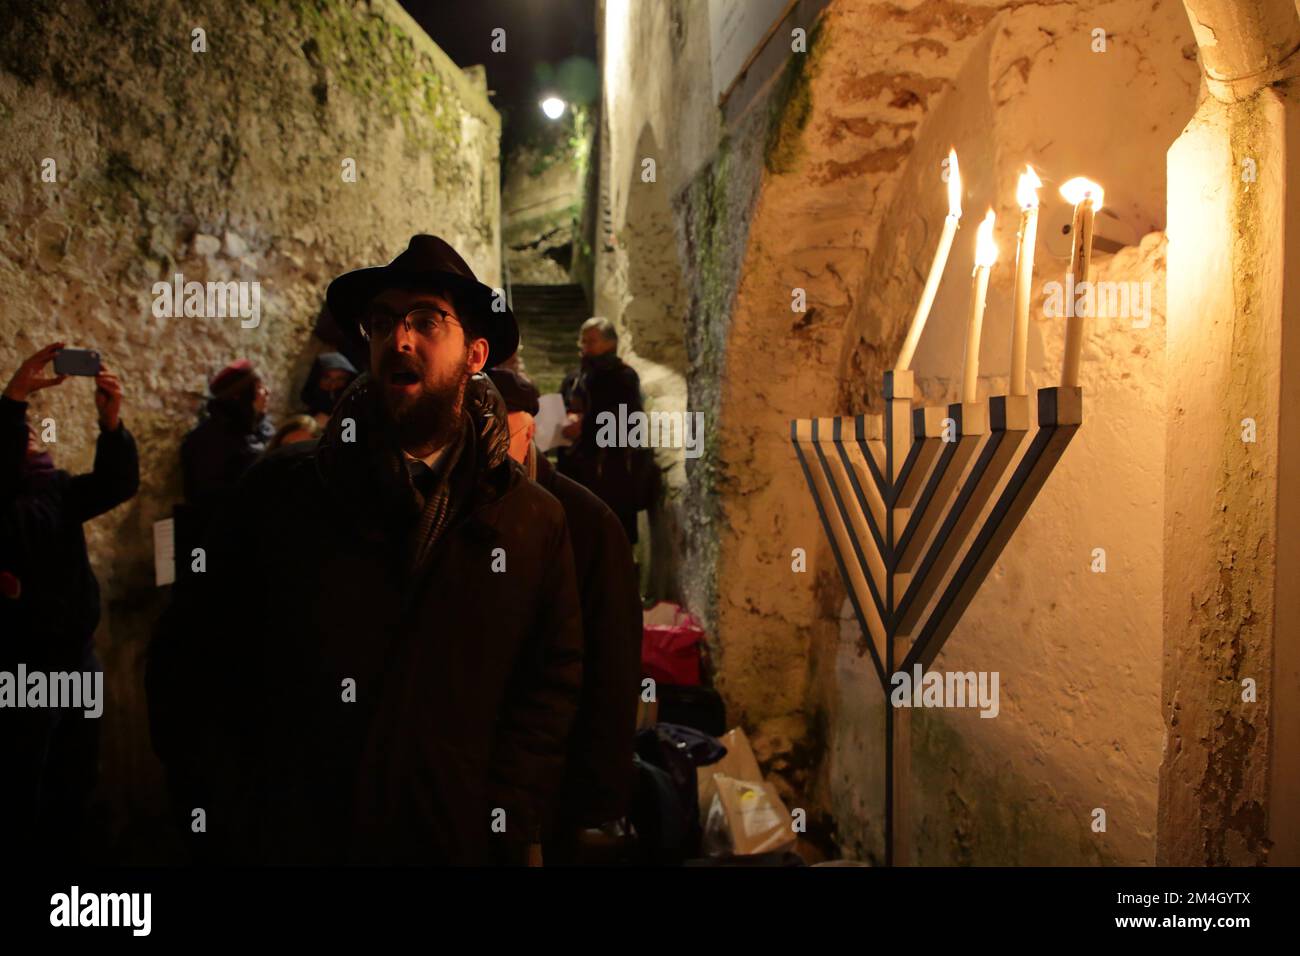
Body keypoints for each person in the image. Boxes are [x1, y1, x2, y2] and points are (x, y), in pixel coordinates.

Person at [148, 235, 584, 865]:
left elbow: (551, 683)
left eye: (426, 321)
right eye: (382, 322)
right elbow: (190, 659)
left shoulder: (530, 519)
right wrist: (230, 810)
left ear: (475, 354)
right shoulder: (281, 493)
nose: (399, 340)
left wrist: (502, 815)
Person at [488, 367, 641, 864]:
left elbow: (613, 660)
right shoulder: (473, 506)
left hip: (560, 771)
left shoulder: (588, 522)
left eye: (498, 436)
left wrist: (601, 791)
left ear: (529, 433)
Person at [0, 343, 138, 859]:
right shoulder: (8, 500)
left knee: (75, 779)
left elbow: (116, 483)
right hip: (24, 669)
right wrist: (14, 397)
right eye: (21, 430)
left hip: (78, 660)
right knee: (24, 789)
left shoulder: (51, 489)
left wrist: (111, 426)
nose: (32, 431)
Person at [558, 317, 656, 545]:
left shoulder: (623, 377)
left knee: (611, 540)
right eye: (582, 341)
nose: (584, 346)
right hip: (577, 471)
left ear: (610, 344)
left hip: (611, 474)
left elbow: (627, 423)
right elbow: (563, 406)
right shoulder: (574, 378)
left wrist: (585, 425)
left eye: (591, 341)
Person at [299, 351, 358, 427]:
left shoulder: (354, 417)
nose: (333, 385)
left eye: (340, 379)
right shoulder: (303, 421)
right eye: (326, 378)